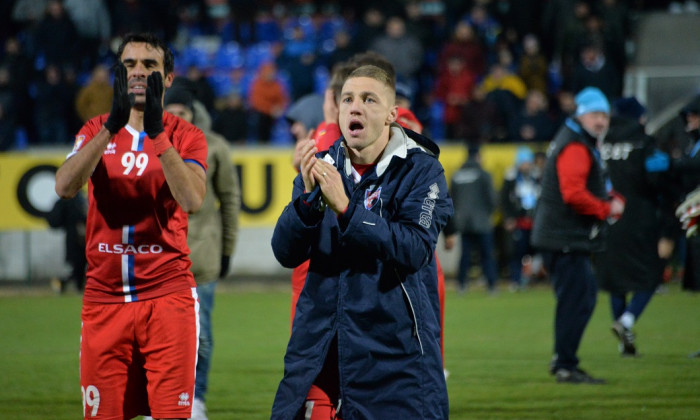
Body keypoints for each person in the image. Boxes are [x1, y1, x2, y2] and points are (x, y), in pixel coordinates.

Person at [270, 65, 452, 419]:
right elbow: (285, 251)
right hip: (321, 349)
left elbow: (414, 248)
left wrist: (346, 209)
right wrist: (307, 203)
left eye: (369, 100)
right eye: (348, 99)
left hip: (394, 355)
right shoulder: (321, 167)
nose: (355, 107)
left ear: (391, 115)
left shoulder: (423, 172)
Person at [54, 33, 207, 419]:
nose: (138, 72)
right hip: (105, 299)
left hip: (167, 297)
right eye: (129, 65)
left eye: (150, 66)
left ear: (168, 78)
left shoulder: (186, 135)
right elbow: (65, 186)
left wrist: (156, 133)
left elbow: (191, 200)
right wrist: (111, 126)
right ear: (119, 76)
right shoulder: (94, 131)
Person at [531, 86, 625, 384]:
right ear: (581, 115)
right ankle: (565, 364)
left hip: (562, 237)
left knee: (577, 298)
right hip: (565, 238)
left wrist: (607, 198)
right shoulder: (575, 145)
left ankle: (564, 361)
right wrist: (605, 208)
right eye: (596, 114)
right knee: (579, 299)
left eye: (605, 115)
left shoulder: (575, 139)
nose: (601, 121)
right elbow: (573, 194)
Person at [163, 79, 241, 420]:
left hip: (201, 257)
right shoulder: (144, 147)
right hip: (158, 256)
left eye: (183, 111)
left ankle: (196, 400)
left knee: (201, 336)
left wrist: (226, 252)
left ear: (193, 113)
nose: (177, 117)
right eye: (171, 111)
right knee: (158, 337)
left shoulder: (215, 147)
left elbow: (230, 202)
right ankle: (162, 401)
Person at [444, 145, 499, 293]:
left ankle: (461, 285)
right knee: (487, 255)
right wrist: (489, 213)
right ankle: (492, 285)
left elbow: (450, 199)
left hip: (463, 222)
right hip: (482, 221)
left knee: (465, 255)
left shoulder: (457, 175)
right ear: (478, 156)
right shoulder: (484, 174)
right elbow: (492, 199)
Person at [501, 146, 541, 290]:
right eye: (524, 162)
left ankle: (532, 278)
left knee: (536, 251)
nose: (526, 165)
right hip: (518, 221)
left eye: (528, 162)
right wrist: (509, 217)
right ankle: (516, 280)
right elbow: (504, 199)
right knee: (517, 251)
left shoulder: (536, 177)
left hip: (534, 221)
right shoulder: (511, 177)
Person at [46, 190, 88, 294]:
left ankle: (66, 284)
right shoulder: (81, 198)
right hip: (81, 239)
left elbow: (54, 220)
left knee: (78, 267)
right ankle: (72, 286)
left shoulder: (67, 199)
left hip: (75, 238)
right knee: (79, 267)